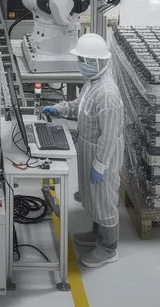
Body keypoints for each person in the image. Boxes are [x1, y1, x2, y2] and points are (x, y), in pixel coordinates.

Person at [40, 34, 125, 269]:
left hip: (103, 154)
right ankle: (98, 235)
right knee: (93, 197)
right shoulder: (93, 82)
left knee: (104, 200)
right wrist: (60, 109)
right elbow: (81, 105)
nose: (80, 64)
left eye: (83, 60)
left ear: (97, 61)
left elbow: (109, 136)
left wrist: (100, 165)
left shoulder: (107, 94)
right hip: (89, 148)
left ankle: (109, 248)